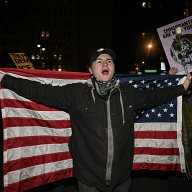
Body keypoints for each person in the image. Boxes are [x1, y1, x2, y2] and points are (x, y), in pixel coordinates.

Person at [1, 48, 192, 192]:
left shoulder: (128, 94)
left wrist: (181, 87)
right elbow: (41, 91)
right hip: (88, 180)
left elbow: (154, 95)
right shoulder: (77, 93)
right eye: (99, 61)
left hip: (122, 180)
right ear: (91, 69)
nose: (105, 64)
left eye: (109, 61)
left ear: (114, 67)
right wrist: (6, 80)